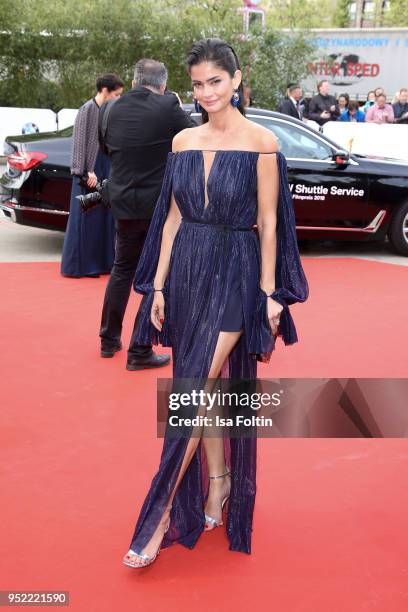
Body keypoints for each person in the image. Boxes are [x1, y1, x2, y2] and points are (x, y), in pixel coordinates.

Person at [122, 38, 309, 569]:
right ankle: (217, 484)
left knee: (193, 387)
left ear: (236, 78)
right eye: (198, 84)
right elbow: (173, 218)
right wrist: (156, 287)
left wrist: (271, 293)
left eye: (216, 81)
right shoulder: (182, 141)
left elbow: (271, 223)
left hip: (238, 269)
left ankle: (157, 517)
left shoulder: (262, 141)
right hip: (187, 271)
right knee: (198, 389)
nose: (206, 93)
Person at [98, 59, 195, 367]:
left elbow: (106, 149)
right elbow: (195, 136)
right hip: (156, 208)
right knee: (156, 276)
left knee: (122, 270)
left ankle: (108, 340)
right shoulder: (167, 106)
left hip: (122, 203)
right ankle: (139, 351)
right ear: (162, 84)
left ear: (135, 79)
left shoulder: (110, 109)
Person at [61, 74, 124, 278]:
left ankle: (100, 264)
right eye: (116, 94)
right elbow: (79, 142)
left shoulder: (107, 110)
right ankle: (81, 267)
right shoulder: (87, 109)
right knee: (85, 217)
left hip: (104, 168)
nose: (118, 98)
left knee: (102, 217)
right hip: (89, 170)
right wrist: (85, 170)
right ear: (105, 90)